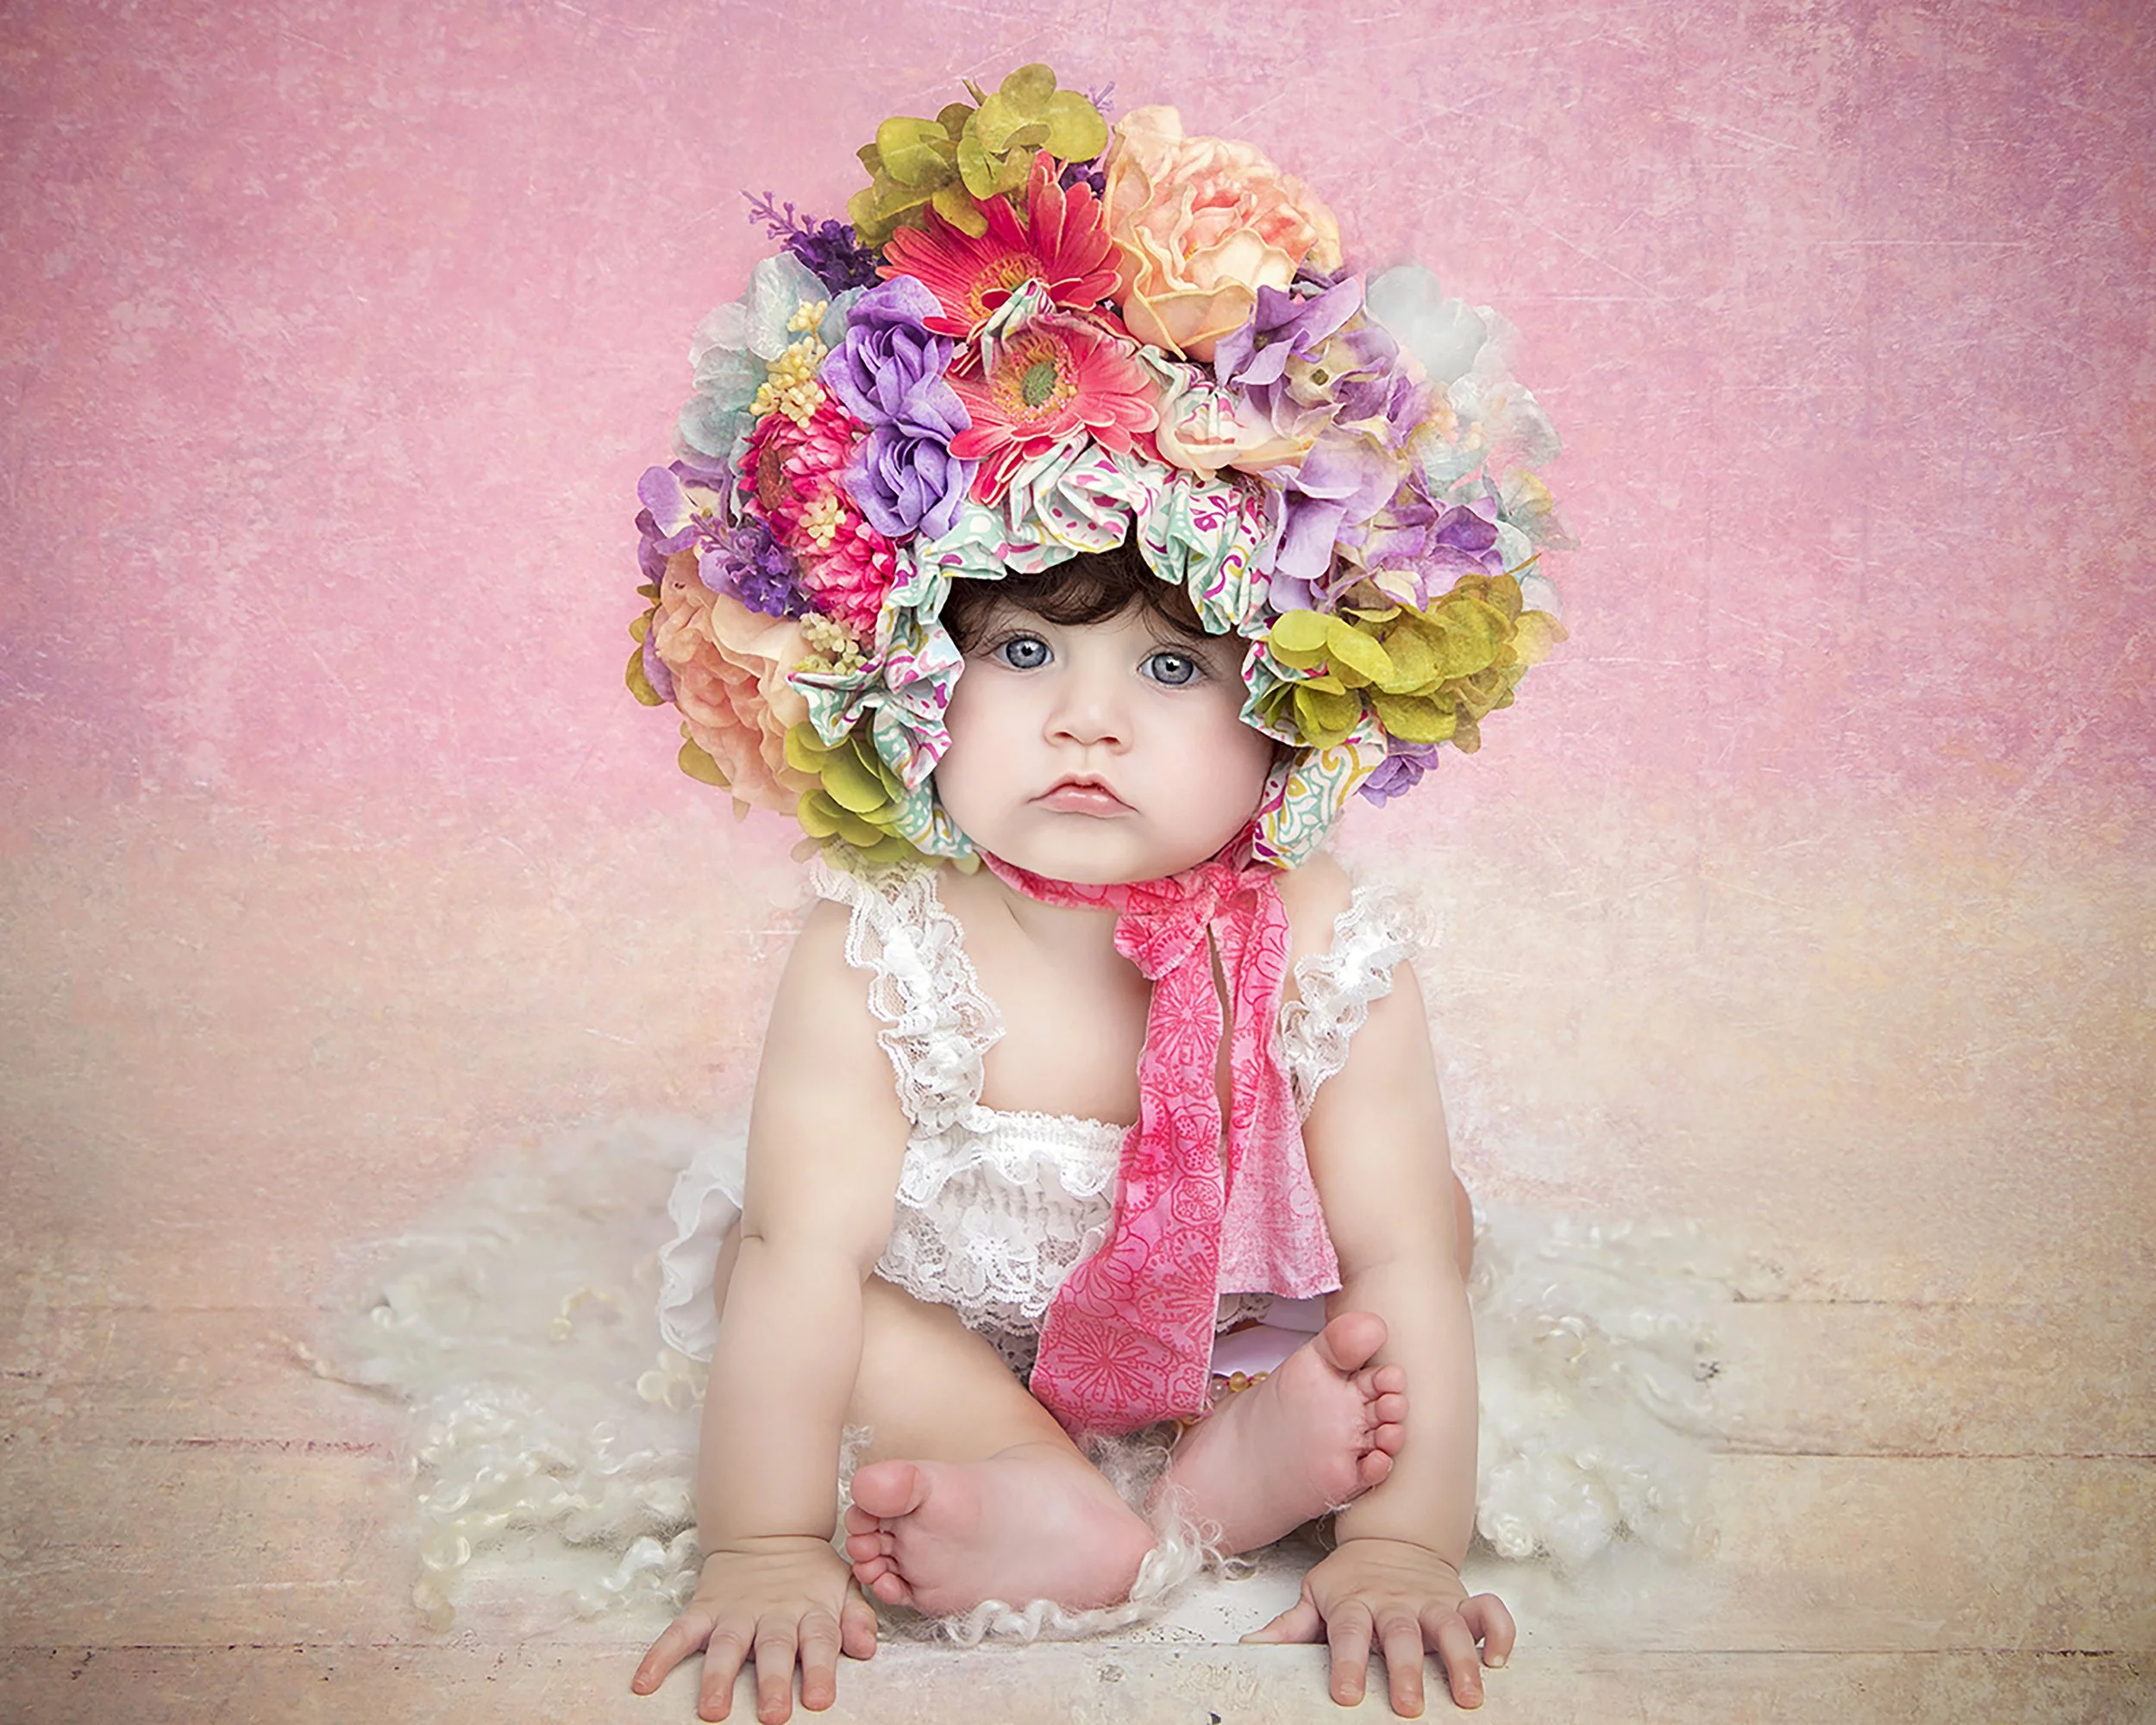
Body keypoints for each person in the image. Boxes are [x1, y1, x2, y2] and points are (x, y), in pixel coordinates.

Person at [615, 63, 1568, 1724]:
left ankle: (1218, 1465)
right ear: (908, 668)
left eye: (1174, 665)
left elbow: (1401, 1255)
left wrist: (1406, 1549)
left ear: (1296, 709)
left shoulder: (1323, 940)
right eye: (1023, 650)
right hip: (956, 1326)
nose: (1087, 720)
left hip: (1228, 1322)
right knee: (828, 1306)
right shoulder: (883, 942)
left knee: (1401, 1288)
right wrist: (762, 1547)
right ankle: (1083, 1494)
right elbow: (800, 1253)